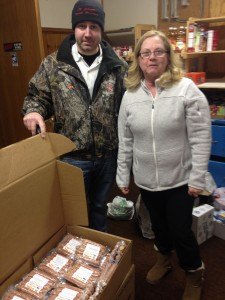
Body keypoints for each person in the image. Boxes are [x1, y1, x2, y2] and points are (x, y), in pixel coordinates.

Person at [116, 30, 211, 300]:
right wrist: (123, 176)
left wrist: (198, 178)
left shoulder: (186, 90)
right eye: (146, 52)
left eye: (159, 51)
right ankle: (164, 260)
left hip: (180, 180)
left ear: (168, 57)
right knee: (157, 227)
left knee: (181, 232)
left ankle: (194, 272)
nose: (152, 57)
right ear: (138, 59)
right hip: (146, 180)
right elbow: (125, 140)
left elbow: (201, 137)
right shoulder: (131, 95)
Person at [22, 0, 127, 232]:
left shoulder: (118, 66)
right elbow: (37, 97)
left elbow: (129, 104)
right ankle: (76, 256)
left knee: (99, 207)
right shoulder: (53, 64)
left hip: (107, 155)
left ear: (101, 30)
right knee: (73, 210)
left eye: (94, 27)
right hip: (71, 155)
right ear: (74, 29)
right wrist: (33, 111)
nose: (87, 33)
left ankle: (99, 252)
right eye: (82, 26)